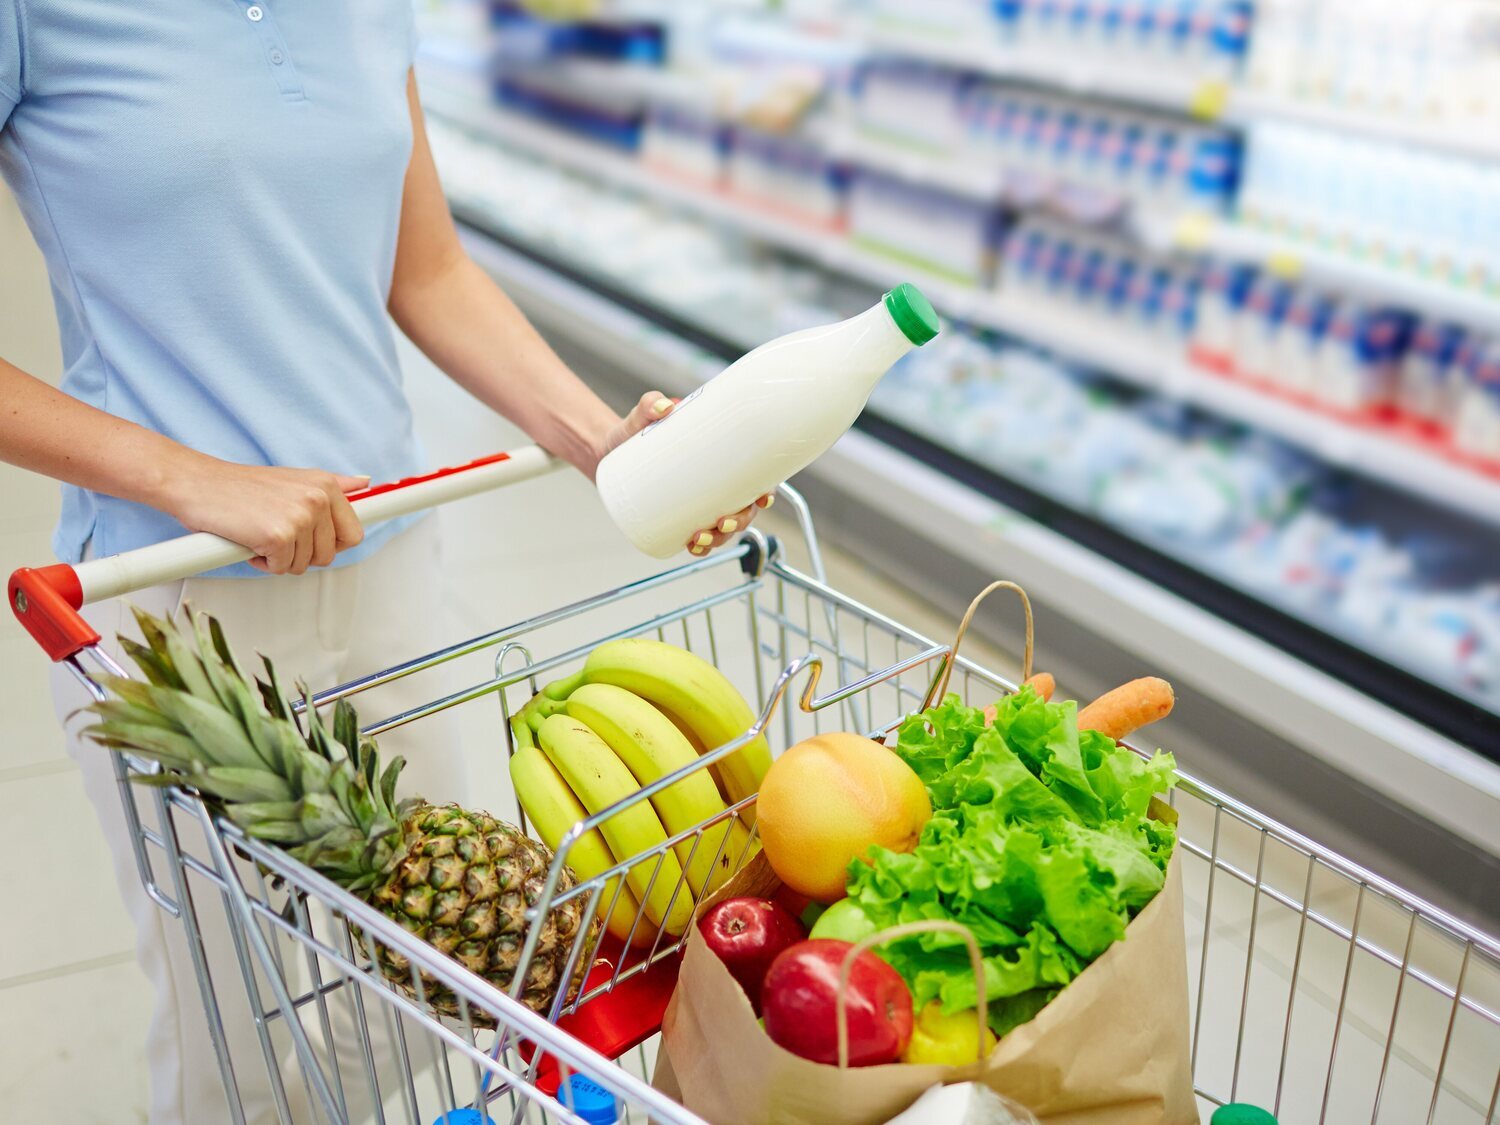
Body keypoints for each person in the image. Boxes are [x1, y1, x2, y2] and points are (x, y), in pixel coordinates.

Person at [0, 4, 767, 1121]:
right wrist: (188, 476)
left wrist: (602, 440)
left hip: (396, 563)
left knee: (479, 968)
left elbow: (431, 271)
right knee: (237, 1041)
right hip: (174, 613)